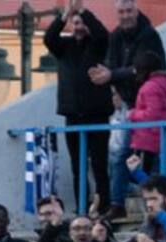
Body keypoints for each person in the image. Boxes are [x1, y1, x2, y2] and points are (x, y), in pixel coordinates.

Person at [90, 0, 166, 219]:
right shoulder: (115, 36)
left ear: (136, 11)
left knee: (152, 155)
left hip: (152, 104)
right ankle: (117, 203)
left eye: (129, 11)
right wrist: (112, 85)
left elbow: (140, 68)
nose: (125, 16)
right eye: (121, 12)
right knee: (118, 154)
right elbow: (111, 66)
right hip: (127, 103)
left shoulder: (149, 35)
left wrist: (111, 76)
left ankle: (159, 202)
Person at [44, 1, 112, 212]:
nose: (79, 26)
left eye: (81, 22)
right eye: (75, 23)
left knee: (100, 164)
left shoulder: (97, 44)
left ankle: (104, 204)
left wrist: (83, 11)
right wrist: (64, 15)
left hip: (97, 113)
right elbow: (49, 38)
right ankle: (82, 206)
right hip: (73, 114)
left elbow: (102, 33)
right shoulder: (63, 47)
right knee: (78, 165)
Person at [127, 51, 166, 173]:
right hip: (155, 136)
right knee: (147, 169)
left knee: (140, 171)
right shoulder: (162, 84)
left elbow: (152, 114)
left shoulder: (150, 87)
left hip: (145, 138)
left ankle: (146, 191)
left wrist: (132, 114)